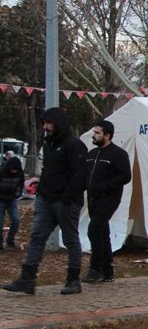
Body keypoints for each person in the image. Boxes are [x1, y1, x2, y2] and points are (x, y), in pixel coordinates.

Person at [2, 107, 87, 295]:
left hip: (65, 201)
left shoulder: (74, 145)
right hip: (46, 199)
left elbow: (79, 175)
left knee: (70, 240)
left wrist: (68, 198)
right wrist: (40, 191)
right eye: (44, 123)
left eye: (49, 123)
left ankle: (73, 280)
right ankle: (28, 278)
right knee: (37, 237)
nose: (46, 127)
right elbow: (48, 170)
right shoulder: (48, 144)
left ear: (58, 123)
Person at [83, 120, 132, 283]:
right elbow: (86, 175)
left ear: (107, 135)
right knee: (102, 232)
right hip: (93, 198)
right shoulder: (91, 154)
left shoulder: (118, 154)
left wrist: (106, 186)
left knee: (94, 230)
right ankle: (107, 269)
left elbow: (125, 176)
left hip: (108, 198)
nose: (94, 135)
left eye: (97, 133)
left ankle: (95, 268)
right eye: (94, 132)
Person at [0, 156, 24, 250]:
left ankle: (10, 239)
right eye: (13, 169)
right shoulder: (1, 172)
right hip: (0, 200)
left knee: (16, 219)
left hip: (11, 200)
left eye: (16, 170)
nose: (14, 171)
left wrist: (16, 195)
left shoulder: (20, 174)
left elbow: (20, 186)